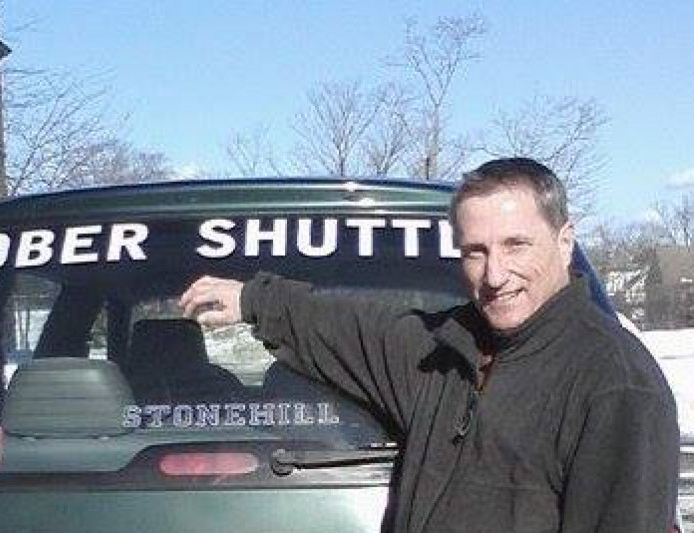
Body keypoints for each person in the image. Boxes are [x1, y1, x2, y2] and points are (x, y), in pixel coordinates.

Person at [180, 158, 679, 532]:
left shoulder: (615, 383)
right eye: (475, 252)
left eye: (516, 245)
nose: (495, 274)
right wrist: (254, 299)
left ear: (564, 241)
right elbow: (350, 328)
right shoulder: (447, 350)